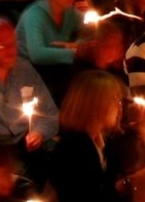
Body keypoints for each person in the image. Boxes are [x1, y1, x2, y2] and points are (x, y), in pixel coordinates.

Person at [0, 18, 59, 161]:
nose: (11, 50)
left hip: (26, 145)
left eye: (13, 43)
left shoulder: (25, 69)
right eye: (2, 46)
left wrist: (38, 133)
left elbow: (50, 114)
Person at [47, 70, 126, 202]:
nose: (120, 106)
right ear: (96, 105)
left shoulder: (107, 144)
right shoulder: (71, 151)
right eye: (115, 99)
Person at [15, 0, 86, 100]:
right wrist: (76, 51)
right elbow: (37, 54)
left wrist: (73, 45)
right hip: (28, 69)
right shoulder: (34, 14)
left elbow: (89, 34)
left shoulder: (70, 12)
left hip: (54, 68)